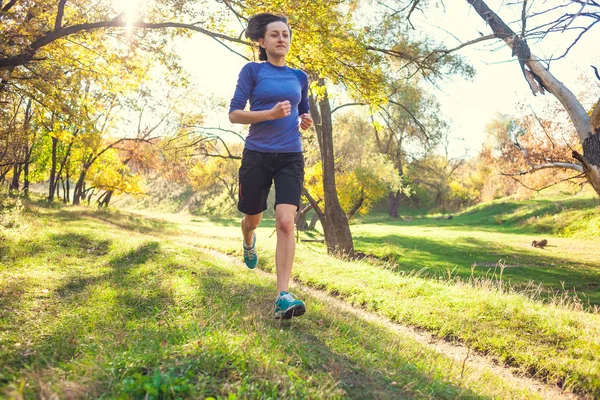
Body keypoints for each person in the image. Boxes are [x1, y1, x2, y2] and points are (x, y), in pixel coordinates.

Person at [228, 13, 313, 319]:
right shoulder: (252, 71)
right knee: (253, 217)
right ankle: (248, 240)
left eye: (286, 35)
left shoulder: (299, 77)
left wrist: (305, 121)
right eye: (275, 34)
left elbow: (302, 112)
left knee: (286, 222)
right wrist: (268, 115)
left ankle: (282, 295)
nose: (281, 39)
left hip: (291, 155)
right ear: (262, 42)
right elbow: (235, 115)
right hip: (257, 154)